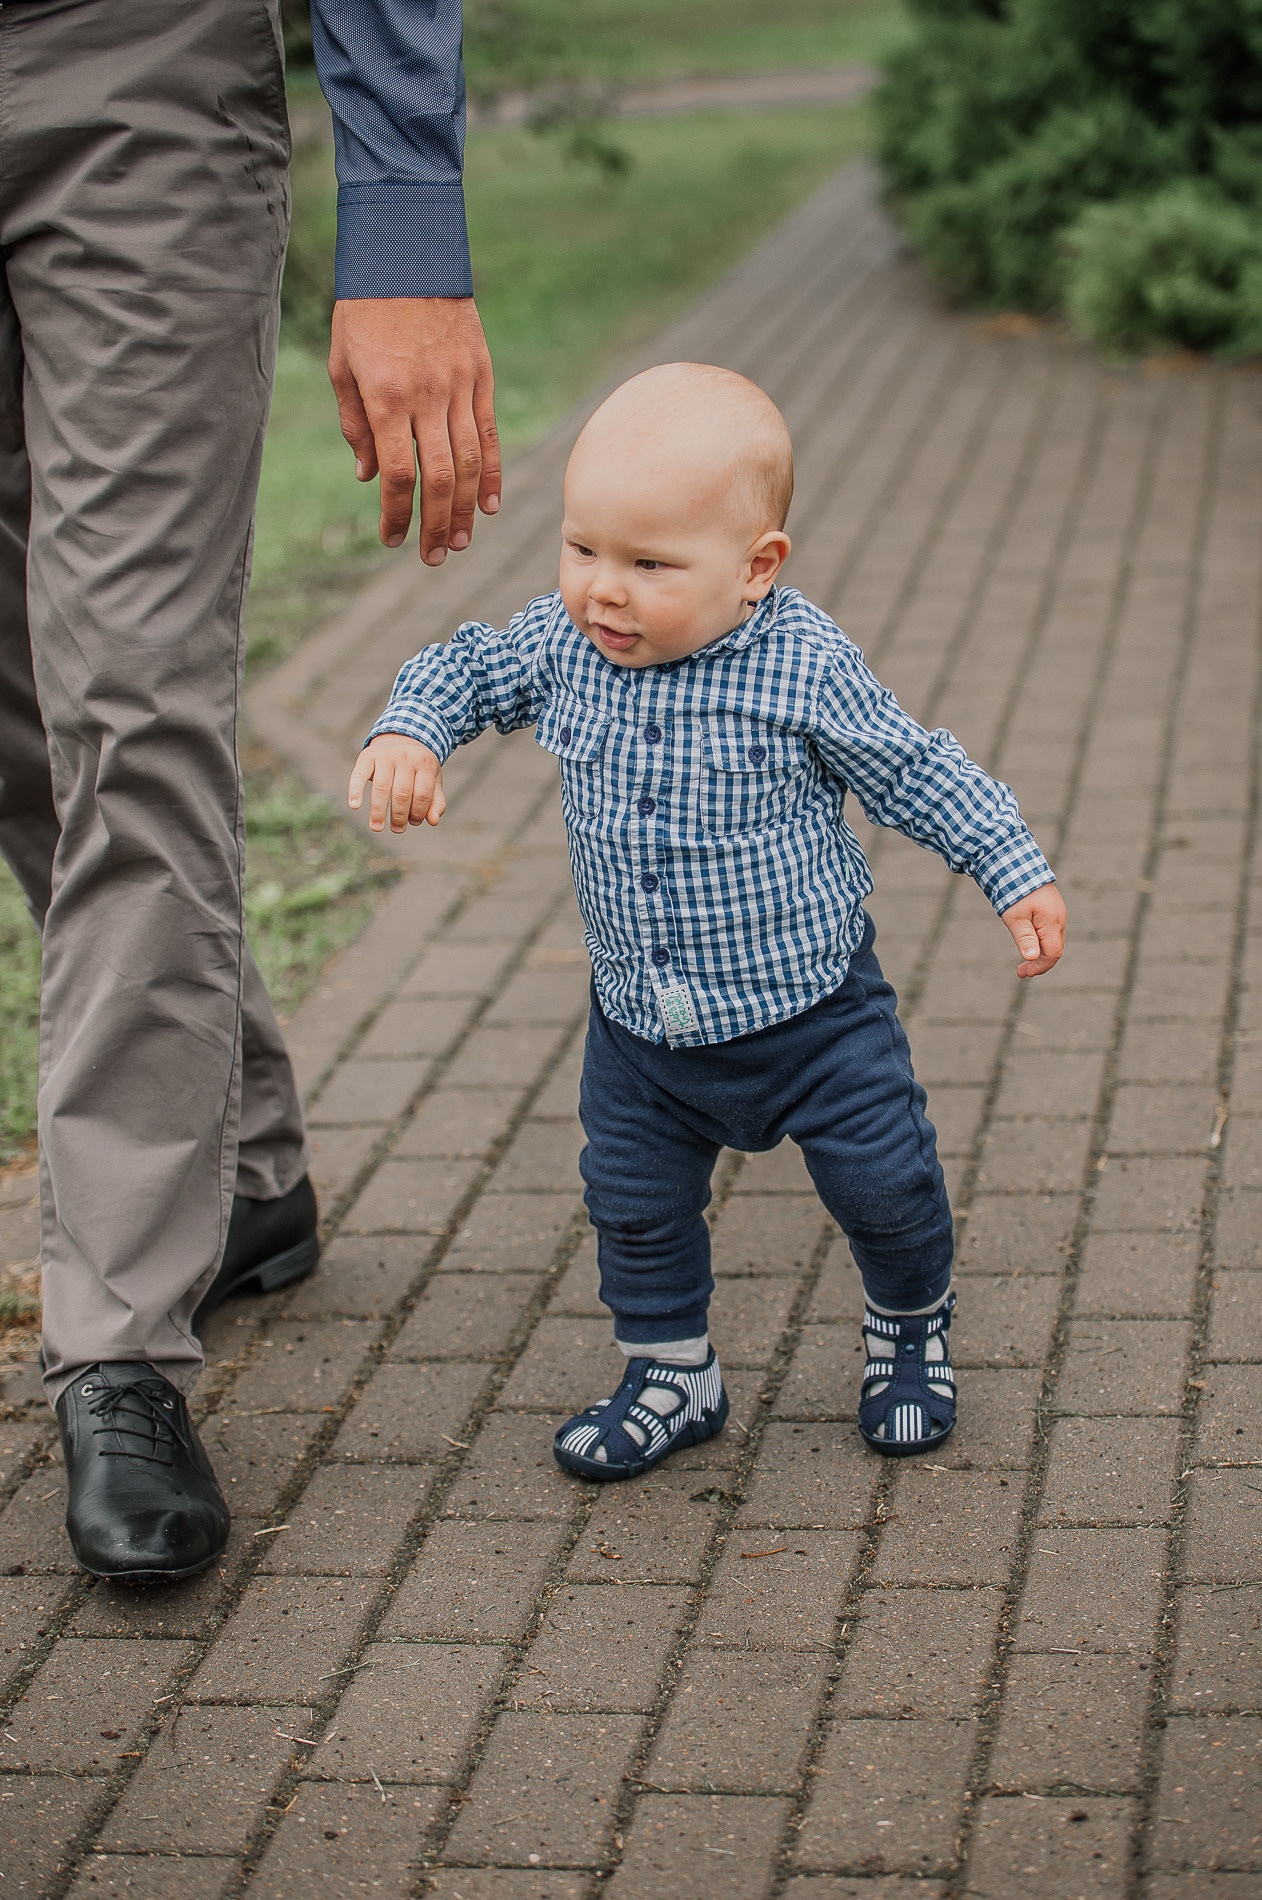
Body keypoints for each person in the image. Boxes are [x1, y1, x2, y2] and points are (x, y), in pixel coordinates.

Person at [349, 362, 1068, 1474]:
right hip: (642, 1029)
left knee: (886, 1187)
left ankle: (909, 1327)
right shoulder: (563, 646)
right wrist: (409, 730)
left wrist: (1009, 866)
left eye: (648, 565)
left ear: (754, 568)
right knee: (632, 1205)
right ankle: (672, 1371)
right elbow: (469, 665)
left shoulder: (801, 665)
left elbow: (910, 770)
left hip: (814, 1015)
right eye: (582, 549)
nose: (602, 591)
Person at [0, 0, 492, 1579]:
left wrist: (406, 214)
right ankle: (249, 1170)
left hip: (121, 62)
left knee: (131, 701)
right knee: (26, 712)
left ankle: (120, 1349)